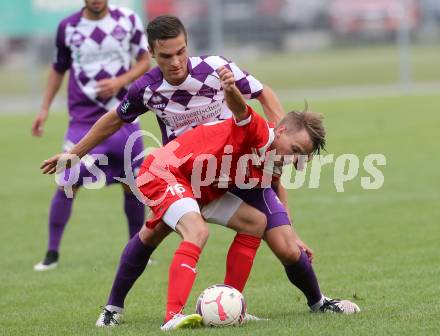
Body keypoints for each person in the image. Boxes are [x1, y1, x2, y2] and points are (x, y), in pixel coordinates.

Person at [41, 15, 360, 328]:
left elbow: (261, 96)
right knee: (153, 233)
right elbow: (114, 119)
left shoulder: (215, 71)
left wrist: (277, 137)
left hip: (232, 165)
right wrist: (73, 154)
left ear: (187, 45)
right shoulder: (147, 88)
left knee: (285, 244)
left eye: (181, 51)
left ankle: (307, 302)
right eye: (167, 55)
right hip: (182, 172)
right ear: (152, 54)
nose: (177, 61)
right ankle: (116, 308)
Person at [32, 0, 151, 271]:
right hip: (83, 122)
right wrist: (44, 108)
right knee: (67, 181)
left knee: (132, 186)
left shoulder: (128, 20)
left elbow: (145, 60)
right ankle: (52, 254)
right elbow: (58, 69)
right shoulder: (68, 27)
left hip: (124, 118)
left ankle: (138, 248)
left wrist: (121, 82)